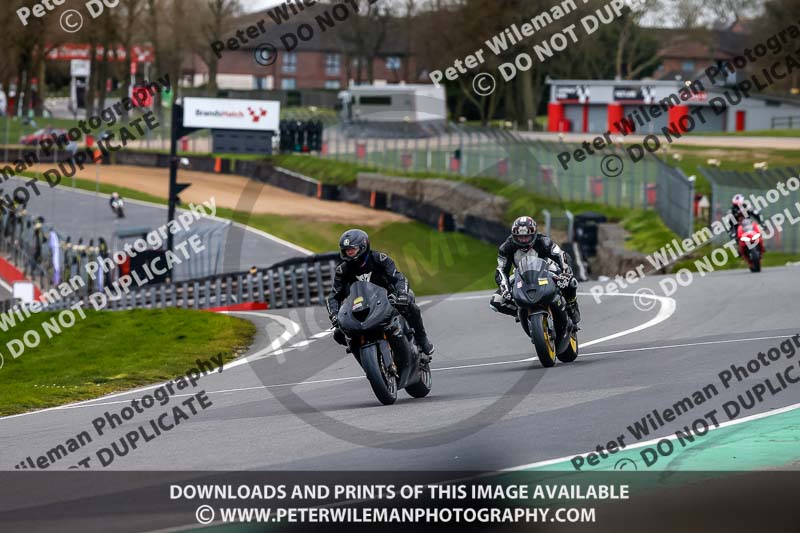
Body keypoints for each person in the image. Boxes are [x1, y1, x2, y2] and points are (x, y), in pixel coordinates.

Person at [326, 229, 435, 356]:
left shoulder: (380, 259)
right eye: (346, 250)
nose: (349, 252)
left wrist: (401, 294)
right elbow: (334, 296)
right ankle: (361, 351)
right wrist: (334, 314)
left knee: (411, 306)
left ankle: (422, 338)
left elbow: (398, 277)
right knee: (339, 334)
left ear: (363, 246)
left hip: (389, 300)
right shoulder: (342, 270)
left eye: (352, 249)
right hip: (361, 308)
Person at [489, 216, 581, 326]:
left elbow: (561, 255)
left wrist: (565, 272)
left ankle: (572, 304)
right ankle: (521, 312)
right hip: (521, 274)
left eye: (526, 237)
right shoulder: (506, 248)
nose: (523, 240)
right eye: (520, 237)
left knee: (570, 282)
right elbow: (501, 270)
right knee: (496, 302)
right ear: (514, 236)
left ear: (534, 234)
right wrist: (505, 288)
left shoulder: (544, 241)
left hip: (547, 269)